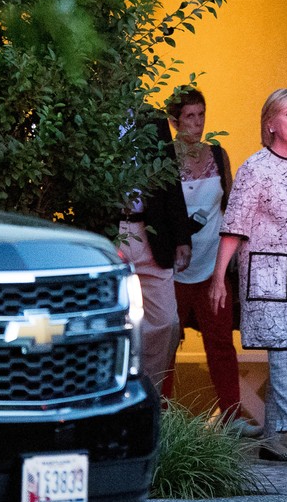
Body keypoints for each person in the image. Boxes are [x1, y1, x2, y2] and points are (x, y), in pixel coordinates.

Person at [209, 88, 287, 463]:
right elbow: (234, 226)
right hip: (269, 277)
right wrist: (217, 278)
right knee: (284, 345)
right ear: (270, 124)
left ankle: (272, 442)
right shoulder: (255, 168)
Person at [162, 89, 260, 438]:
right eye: (190, 116)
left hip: (212, 266)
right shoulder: (163, 159)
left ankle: (231, 415)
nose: (198, 123)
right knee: (167, 342)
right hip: (172, 269)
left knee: (220, 341)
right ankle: (162, 418)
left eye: (201, 114)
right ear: (174, 122)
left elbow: (230, 206)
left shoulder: (218, 155)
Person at [118, 113, 192, 393]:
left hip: (151, 233)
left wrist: (182, 236)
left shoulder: (153, 119)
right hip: (110, 230)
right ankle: (116, 391)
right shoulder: (93, 110)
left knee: (166, 322)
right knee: (111, 319)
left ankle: (147, 395)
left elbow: (170, 179)